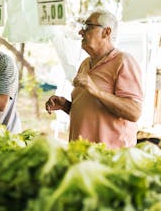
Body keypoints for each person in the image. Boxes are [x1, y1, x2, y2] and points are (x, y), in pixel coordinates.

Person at [45, 9, 143, 149]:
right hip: (82, 155)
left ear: (106, 32)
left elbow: (134, 112)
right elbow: (93, 111)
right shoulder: (85, 64)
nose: (81, 32)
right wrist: (66, 106)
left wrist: (96, 91)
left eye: (87, 26)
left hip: (109, 158)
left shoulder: (123, 61)